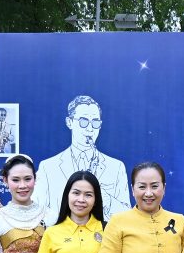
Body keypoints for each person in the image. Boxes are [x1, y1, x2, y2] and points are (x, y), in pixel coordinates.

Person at [34, 96, 131, 225]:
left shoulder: (116, 167)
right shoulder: (48, 167)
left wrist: (107, 199)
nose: (90, 129)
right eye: (83, 121)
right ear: (69, 122)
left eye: (95, 122)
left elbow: (126, 215)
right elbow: (37, 211)